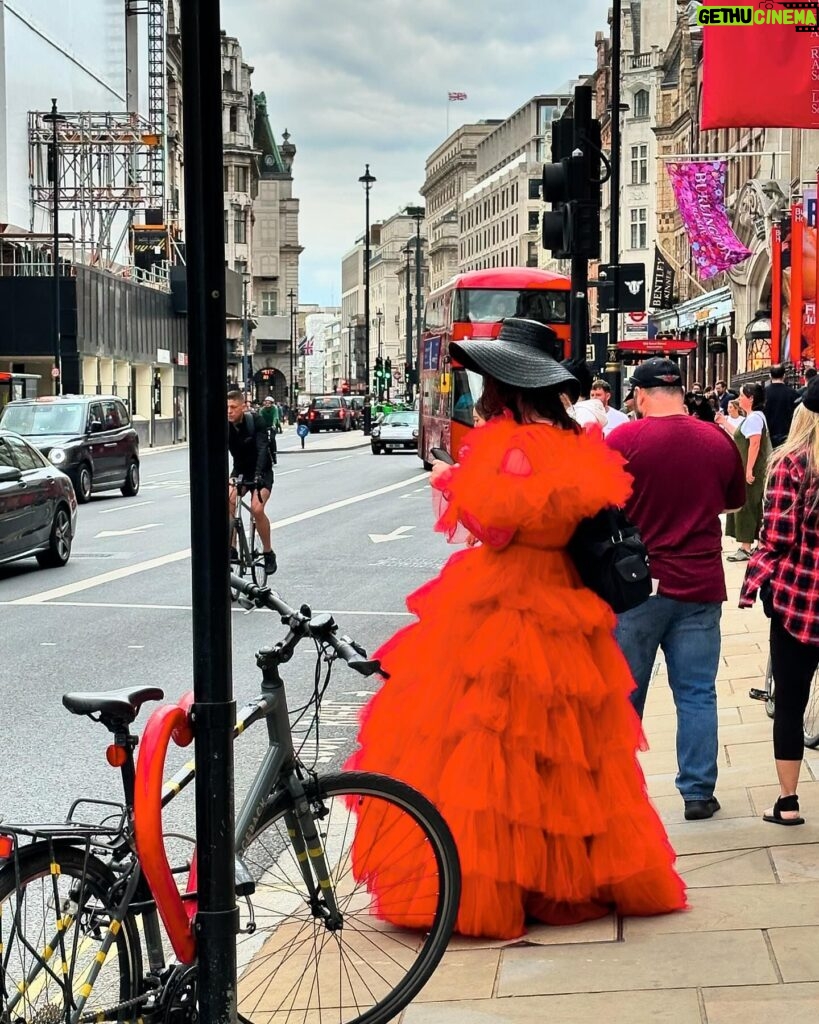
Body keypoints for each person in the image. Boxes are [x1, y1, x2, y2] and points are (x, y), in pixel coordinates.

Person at [346, 319, 686, 940]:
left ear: (506, 385)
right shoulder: (579, 439)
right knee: (565, 745)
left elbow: (499, 529)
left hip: (509, 595)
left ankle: (492, 883)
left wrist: (453, 485)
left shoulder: (509, 446)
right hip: (565, 593)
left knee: (489, 744)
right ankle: (568, 876)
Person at [607, 358, 746, 821]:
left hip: (637, 587)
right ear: (681, 392)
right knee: (697, 693)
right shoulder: (716, 439)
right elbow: (731, 500)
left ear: (642, 394)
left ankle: (618, 789)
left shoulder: (623, 440)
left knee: (626, 694)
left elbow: (602, 503)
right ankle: (698, 791)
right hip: (701, 583)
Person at [739, 377, 819, 825]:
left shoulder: (790, 462)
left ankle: (788, 803)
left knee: (789, 701)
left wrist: (756, 567)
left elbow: (780, 536)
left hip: (800, 599)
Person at [717, 383, 772, 562]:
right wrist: (724, 423)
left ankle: (745, 546)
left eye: (742, 396)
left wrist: (748, 469)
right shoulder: (753, 417)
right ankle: (754, 543)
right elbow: (743, 436)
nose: (739, 399)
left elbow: (754, 444)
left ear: (751, 398)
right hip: (750, 467)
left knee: (747, 505)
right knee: (753, 505)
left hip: (752, 469)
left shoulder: (755, 417)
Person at [227, 390, 277, 575]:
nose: (229, 411)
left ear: (243, 407)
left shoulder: (256, 421)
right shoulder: (227, 426)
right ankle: (232, 548)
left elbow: (263, 449)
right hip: (240, 470)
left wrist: (257, 477)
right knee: (229, 501)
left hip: (261, 471)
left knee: (257, 509)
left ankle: (268, 552)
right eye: (227, 408)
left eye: (233, 407)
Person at [765, 364, 799, 447]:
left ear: (770, 375)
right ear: (784, 376)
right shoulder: (793, 393)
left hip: (768, 435)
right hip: (787, 435)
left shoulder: (763, 393)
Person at [259, 396, 279, 466]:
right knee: (264, 440)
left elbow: (275, 417)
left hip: (272, 426)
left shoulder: (274, 409)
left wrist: (274, 424)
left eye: (269, 403)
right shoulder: (262, 410)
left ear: (271, 403)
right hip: (265, 426)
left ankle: (274, 452)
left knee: (272, 438)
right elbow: (260, 417)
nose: (267, 404)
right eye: (266, 402)